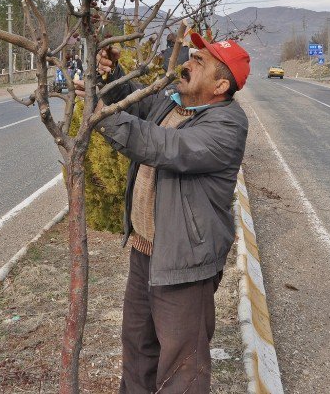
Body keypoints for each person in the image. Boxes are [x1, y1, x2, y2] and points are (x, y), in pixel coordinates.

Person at [77, 32, 250, 394]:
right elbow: (133, 102)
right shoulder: (172, 103)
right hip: (146, 253)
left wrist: (101, 118)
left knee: (181, 371)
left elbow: (165, 146)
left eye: (199, 62)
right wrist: (110, 77)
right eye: (192, 56)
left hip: (185, 264)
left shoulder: (227, 126)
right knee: (138, 353)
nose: (187, 63)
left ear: (220, 85)